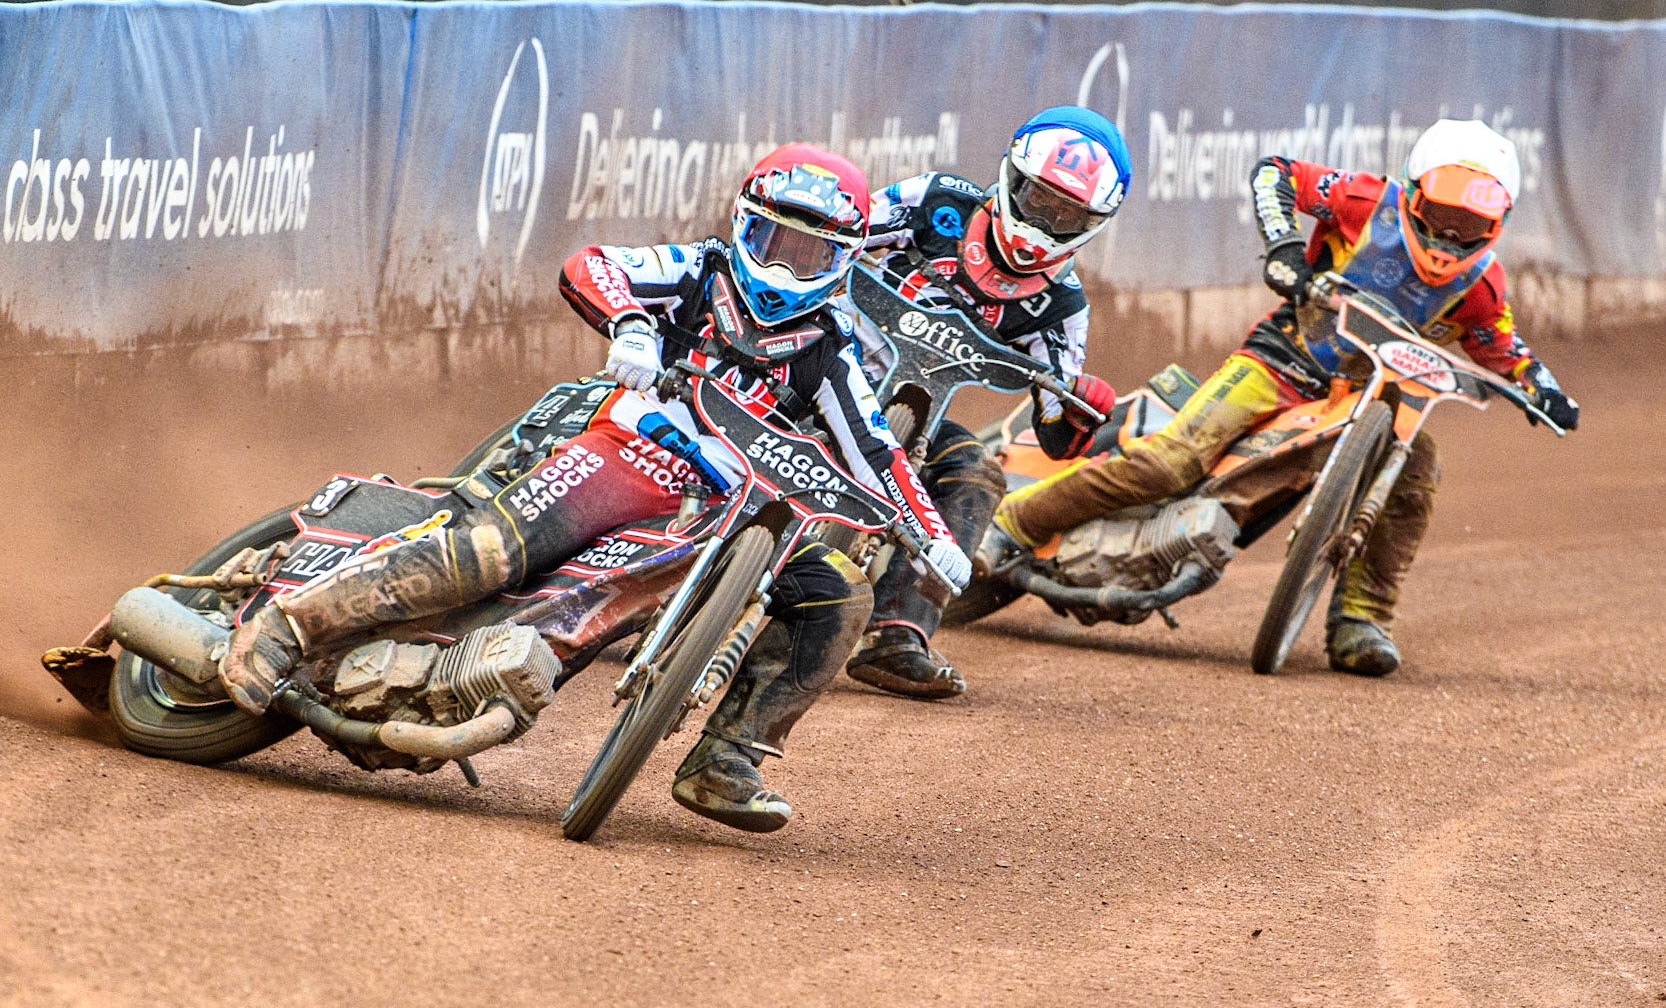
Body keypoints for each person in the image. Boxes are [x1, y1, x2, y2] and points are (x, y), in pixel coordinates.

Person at [218, 144, 972, 832]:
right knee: (492, 552)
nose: (787, 264)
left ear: (843, 259)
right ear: (746, 227)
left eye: (812, 253)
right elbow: (593, 264)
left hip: (725, 512)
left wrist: (932, 534)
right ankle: (287, 627)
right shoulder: (700, 268)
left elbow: (875, 447)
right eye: (776, 240)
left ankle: (725, 760)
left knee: (840, 592)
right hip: (633, 449)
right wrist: (634, 326)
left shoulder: (834, 347)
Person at [985, 118, 1578, 677]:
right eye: (1444, 213)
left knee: (1418, 469)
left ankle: (1361, 622)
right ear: (1415, 192)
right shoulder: (1368, 201)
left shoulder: (1483, 284)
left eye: (1470, 226)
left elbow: (1503, 347)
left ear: (1497, 227)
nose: (1451, 236)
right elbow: (1275, 172)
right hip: (1279, 361)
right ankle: (1011, 524)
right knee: (1173, 460)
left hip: (1372, 396)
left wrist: (1544, 390)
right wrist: (1284, 246)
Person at [838, 105, 1132, 699]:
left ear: (1093, 223)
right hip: (825, 362)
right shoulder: (934, 200)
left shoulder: (1063, 308)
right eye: (1038, 198)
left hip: (918, 415)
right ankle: (667, 561)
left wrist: (1079, 407)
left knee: (977, 473)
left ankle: (896, 635)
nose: (1045, 219)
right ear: (1010, 176)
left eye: (1067, 213)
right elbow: (835, 237)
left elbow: (1055, 437)